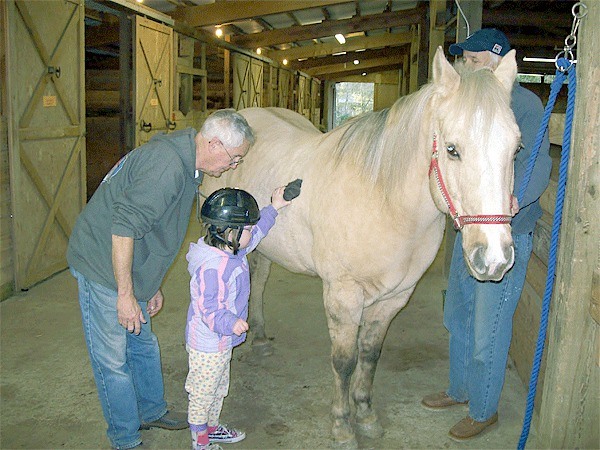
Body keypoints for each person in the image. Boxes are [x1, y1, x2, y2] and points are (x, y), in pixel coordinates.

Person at [67, 109, 255, 450]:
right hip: (101, 263)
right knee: (113, 359)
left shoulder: (188, 164)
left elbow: (157, 228)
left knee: (142, 343)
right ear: (214, 143)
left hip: (131, 266)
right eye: (234, 158)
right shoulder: (166, 166)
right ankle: (125, 438)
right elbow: (125, 227)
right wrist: (126, 293)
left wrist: (149, 283)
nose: (234, 165)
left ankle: (151, 410)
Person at [421, 28, 552, 441]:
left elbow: (538, 166)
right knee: (456, 315)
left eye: (474, 60)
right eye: (465, 60)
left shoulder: (524, 106)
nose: (467, 66)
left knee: (488, 331)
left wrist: (512, 202)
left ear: (497, 60)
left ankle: (484, 409)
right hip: (471, 230)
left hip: (505, 231)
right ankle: (459, 389)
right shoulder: (471, 105)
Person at [185, 186, 294, 450]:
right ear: (230, 233)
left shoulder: (233, 249)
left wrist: (275, 206)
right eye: (246, 228)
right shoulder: (213, 267)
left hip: (221, 344)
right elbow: (208, 309)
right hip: (208, 345)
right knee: (202, 395)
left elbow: (256, 234)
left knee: (219, 388)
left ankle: (212, 429)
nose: (251, 231)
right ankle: (200, 443)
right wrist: (230, 323)